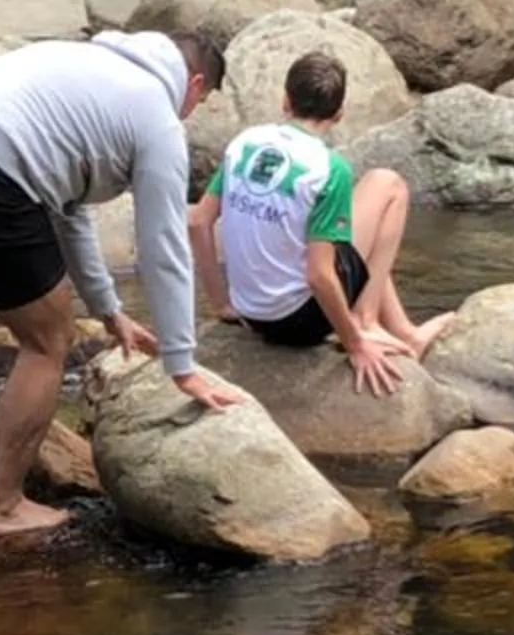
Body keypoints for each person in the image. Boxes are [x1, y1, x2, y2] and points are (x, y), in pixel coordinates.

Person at [0, 28, 242, 538]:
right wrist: (182, 364)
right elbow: (164, 247)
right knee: (48, 342)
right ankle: (5, 508)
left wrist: (109, 312)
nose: (191, 113)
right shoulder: (156, 116)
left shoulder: (84, 64)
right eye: (201, 101)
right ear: (195, 84)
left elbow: (70, 215)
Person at [191, 50, 446, 395]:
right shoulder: (328, 169)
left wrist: (222, 303)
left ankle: (405, 332)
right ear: (339, 114)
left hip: (252, 312)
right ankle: (366, 321)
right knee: (388, 186)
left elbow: (198, 223)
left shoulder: (244, 144)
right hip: (300, 322)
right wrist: (354, 344)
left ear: (285, 99)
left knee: (341, 233)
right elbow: (319, 275)